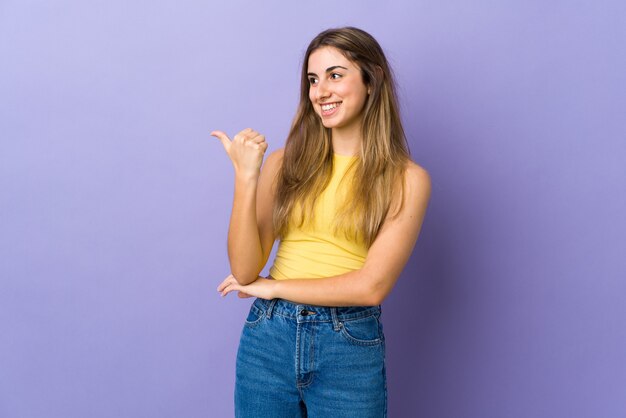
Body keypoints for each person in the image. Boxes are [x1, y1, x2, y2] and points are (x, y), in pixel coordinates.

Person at [211, 26, 431, 418]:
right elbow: (244, 270)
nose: (320, 91)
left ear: (372, 79)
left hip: (347, 344)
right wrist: (246, 177)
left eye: (335, 75)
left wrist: (274, 286)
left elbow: (371, 287)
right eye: (313, 80)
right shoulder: (285, 163)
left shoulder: (406, 179)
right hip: (268, 339)